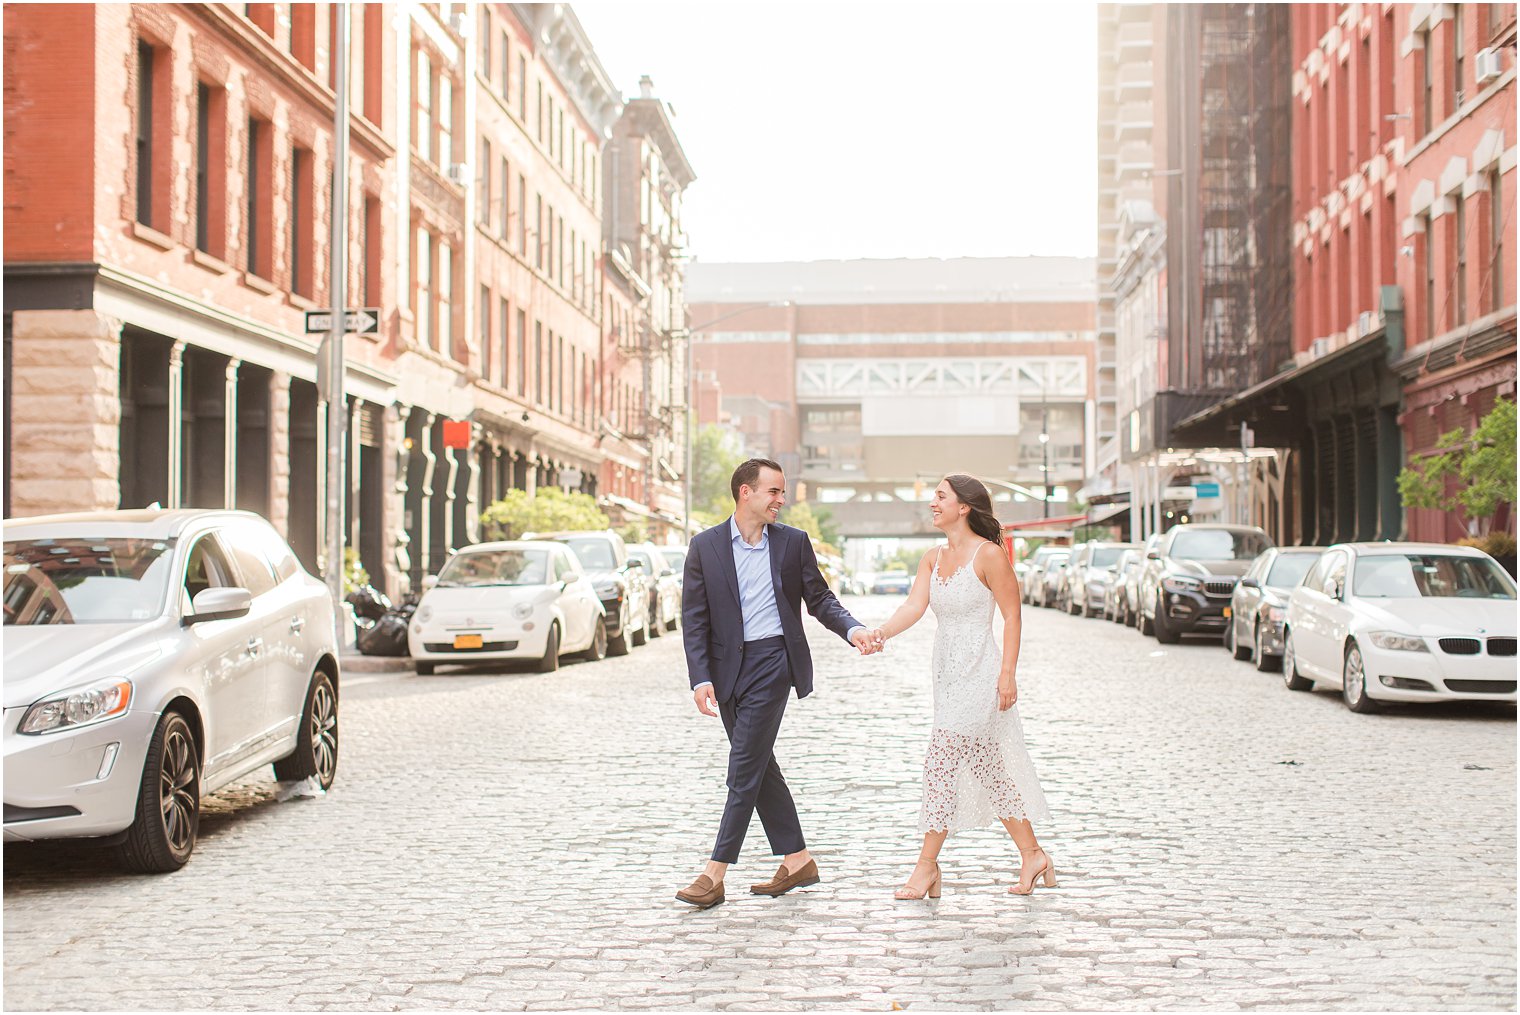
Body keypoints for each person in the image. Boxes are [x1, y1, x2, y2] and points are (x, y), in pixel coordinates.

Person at [675, 458, 880, 909]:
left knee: (743, 767)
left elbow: (820, 599)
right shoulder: (705, 547)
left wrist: (853, 629)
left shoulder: (791, 543)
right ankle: (798, 858)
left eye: (782, 492)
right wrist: (701, 677)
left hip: (773, 662)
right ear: (745, 492)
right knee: (760, 765)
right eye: (773, 492)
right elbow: (694, 620)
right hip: (729, 670)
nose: (781, 501)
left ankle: (714, 874)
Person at [871, 474, 1053, 899]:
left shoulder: (989, 555)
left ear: (964, 507)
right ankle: (1033, 855)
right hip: (947, 675)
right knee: (989, 769)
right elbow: (914, 606)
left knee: (940, 762)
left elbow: (1012, 616)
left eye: (940, 496)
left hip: (981, 673)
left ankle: (926, 866)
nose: (933, 503)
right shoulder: (932, 558)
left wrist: (1007, 674)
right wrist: (880, 634)